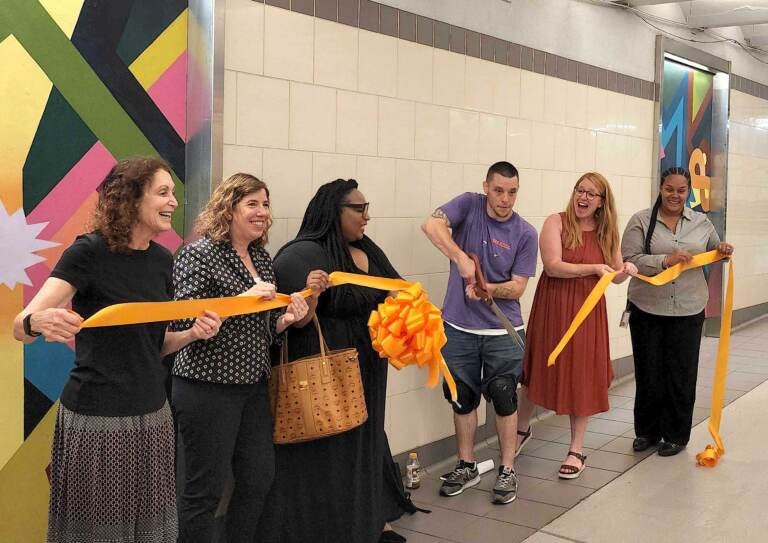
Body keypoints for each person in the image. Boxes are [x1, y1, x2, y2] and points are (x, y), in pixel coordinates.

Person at [12, 157, 222, 543]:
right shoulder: (88, 252)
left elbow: (155, 346)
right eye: (163, 192)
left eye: (173, 193)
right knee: (97, 533)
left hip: (154, 417)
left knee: (152, 533)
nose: (174, 201)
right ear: (130, 199)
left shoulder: (162, 261)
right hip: (97, 420)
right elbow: (20, 327)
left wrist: (193, 334)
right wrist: (36, 322)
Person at [257, 179, 413, 543]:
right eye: (358, 209)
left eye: (366, 206)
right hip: (326, 375)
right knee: (331, 452)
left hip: (369, 367)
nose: (366, 216)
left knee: (366, 442)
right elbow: (289, 318)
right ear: (333, 210)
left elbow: (397, 288)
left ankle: (371, 520)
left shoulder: (366, 250)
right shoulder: (302, 254)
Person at [170, 173, 318, 542]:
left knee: (258, 478)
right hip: (206, 387)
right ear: (228, 208)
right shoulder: (198, 254)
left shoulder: (261, 258)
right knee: (203, 491)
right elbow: (185, 319)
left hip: (251, 386)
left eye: (265, 204)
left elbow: (265, 329)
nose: (262, 212)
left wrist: (286, 319)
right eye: (252, 203)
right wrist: (243, 301)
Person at [421, 161, 537, 504]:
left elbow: (516, 289)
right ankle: (466, 464)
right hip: (457, 327)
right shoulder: (469, 205)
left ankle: (507, 469)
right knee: (462, 397)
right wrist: (460, 257)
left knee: (503, 395)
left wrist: (488, 289)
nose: (505, 199)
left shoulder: (525, 233)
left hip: (503, 330)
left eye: (512, 192)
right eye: (499, 190)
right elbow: (431, 225)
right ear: (486, 186)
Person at [517, 172, 635, 479]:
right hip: (553, 308)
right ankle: (520, 430)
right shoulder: (555, 222)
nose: (582, 197)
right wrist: (594, 268)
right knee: (537, 370)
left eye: (590, 194)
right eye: (579, 190)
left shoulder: (606, 232)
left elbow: (615, 273)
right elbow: (553, 267)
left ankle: (576, 449)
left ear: (601, 202)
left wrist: (627, 270)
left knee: (582, 375)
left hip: (587, 313)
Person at [621, 167, 734, 457]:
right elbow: (629, 260)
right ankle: (646, 431)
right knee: (649, 372)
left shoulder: (701, 222)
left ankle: (675, 435)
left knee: (681, 374)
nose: (675, 195)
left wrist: (722, 250)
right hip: (647, 307)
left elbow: (715, 252)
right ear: (661, 188)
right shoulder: (641, 221)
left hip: (688, 308)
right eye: (669, 189)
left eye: (681, 190)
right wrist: (665, 260)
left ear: (688, 192)